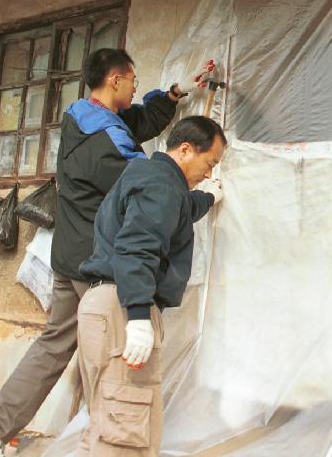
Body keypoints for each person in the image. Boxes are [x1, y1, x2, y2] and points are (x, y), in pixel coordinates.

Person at [0, 49, 190, 455]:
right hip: (96, 263)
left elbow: (137, 121)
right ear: (115, 80)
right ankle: (104, 443)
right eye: (133, 79)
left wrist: (173, 95)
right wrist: (193, 194)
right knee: (108, 357)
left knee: (55, 342)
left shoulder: (82, 117)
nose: (136, 85)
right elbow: (147, 184)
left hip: (65, 254)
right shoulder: (110, 142)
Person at [76, 116, 226, 455]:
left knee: (107, 425)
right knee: (124, 435)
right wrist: (139, 316)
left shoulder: (150, 177)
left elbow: (178, 209)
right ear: (186, 150)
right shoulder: (162, 186)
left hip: (107, 303)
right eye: (210, 163)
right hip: (124, 307)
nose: (209, 173)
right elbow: (137, 246)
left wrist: (207, 198)